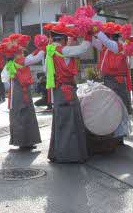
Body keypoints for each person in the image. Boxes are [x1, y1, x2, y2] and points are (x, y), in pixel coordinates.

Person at [25, 23, 91, 163]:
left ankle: (57, 153)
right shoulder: (63, 50)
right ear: (62, 39)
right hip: (67, 89)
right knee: (70, 121)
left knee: (60, 121)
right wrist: (88, 33)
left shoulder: (49, 51)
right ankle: (70, 155)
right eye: (66, 39)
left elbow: (46, 70)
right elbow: (83, 48)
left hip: (57, 89)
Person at [0, 35, 42, 150]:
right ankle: (27, 141)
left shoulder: (10, 64)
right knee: (26, 113)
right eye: (22, 50)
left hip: (15, 93)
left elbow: (4, 79)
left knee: (18, 115)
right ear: (18, 51)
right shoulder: (22, 61)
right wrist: (43, 47)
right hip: (23, 92)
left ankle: (20, 141)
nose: (23, 52)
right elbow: (36, 57)